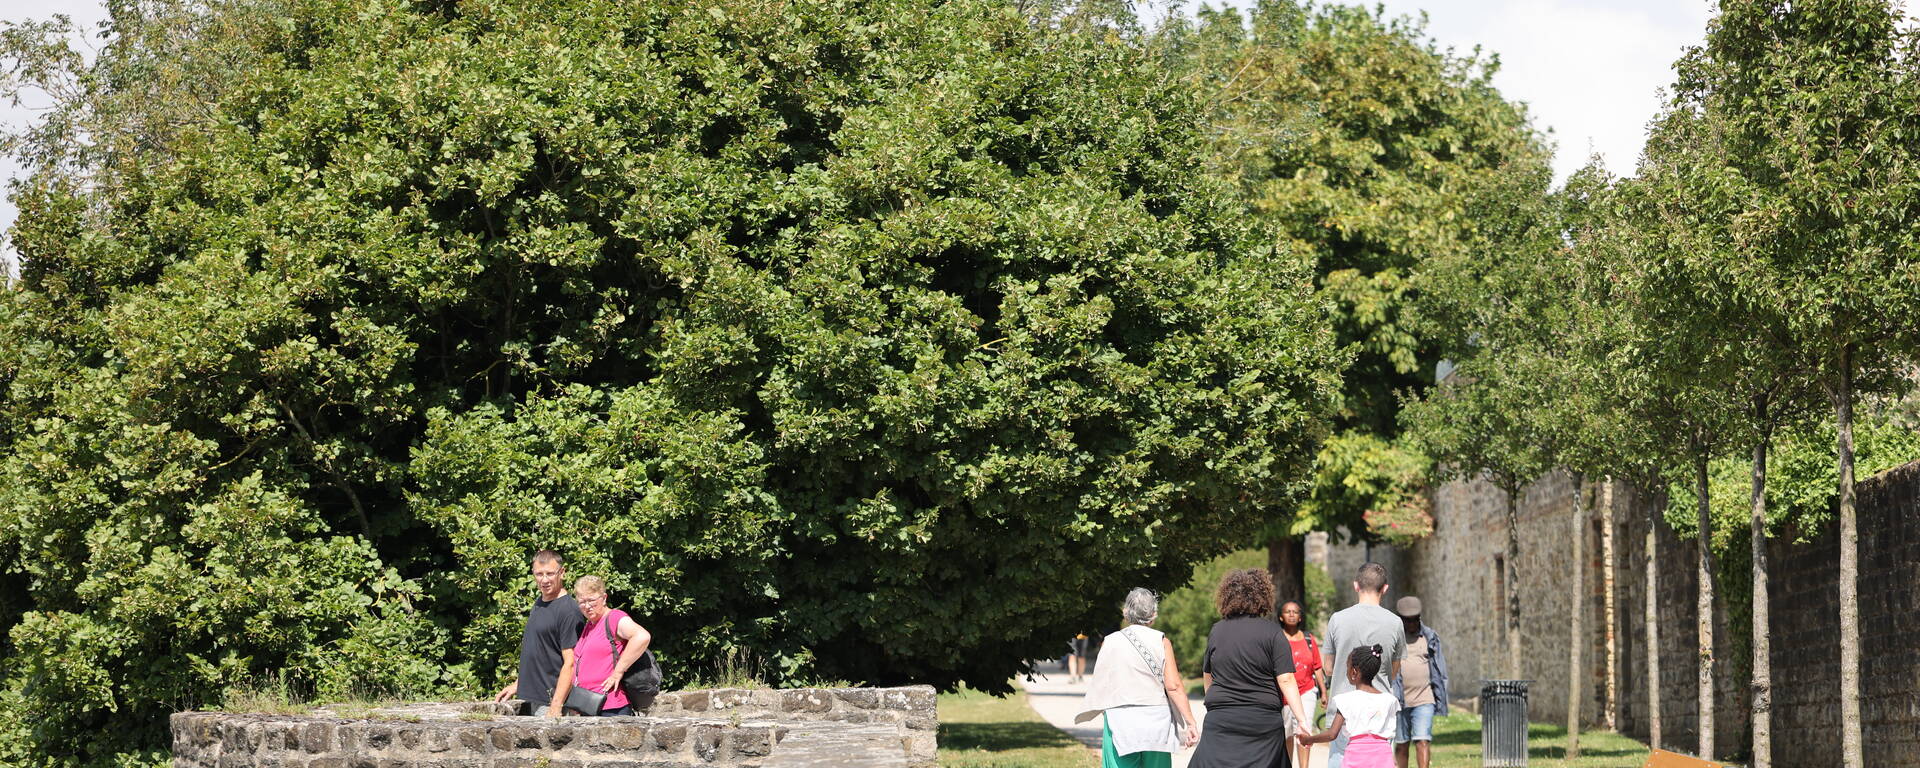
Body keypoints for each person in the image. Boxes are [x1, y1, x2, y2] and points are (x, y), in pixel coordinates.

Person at [1188, 569, 1313, 768]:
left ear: (1227, 596)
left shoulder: (1217, 630)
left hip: (1221, 719)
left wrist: (1214, 705)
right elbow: (1286, 679)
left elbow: (1208, 675)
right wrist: (1302, 720)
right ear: (1262, 597)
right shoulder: (1272, 632)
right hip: (1261, 721)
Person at [1076, 588, 1201, 768]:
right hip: (1157, 723)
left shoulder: (1111, 641)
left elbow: (1102, 684)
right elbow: (1173, 686)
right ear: (1154, 614)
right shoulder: (1162, 641)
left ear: (1125, 612)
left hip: (1121, 721)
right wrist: (1191, 723)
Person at [1324, 563, 1406, 768]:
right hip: (1379, 716)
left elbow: (1328, 667)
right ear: (1385, 588)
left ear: (1355, 586)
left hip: (1343, 712)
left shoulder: (1337, 619)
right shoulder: (1395, 622)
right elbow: (1395, 670)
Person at [494, 550, 585, 718]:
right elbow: (541, 651)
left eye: (550, 574)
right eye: (539, 574)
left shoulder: (569, 611)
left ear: (562, 573)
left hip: (552, 703)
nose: (544, 580)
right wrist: (519, 684)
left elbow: (571, 663)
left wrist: (556, 706)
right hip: (535, 697)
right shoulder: (540, 603)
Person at [1301, 645, 1400, 768]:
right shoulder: (1389, 700)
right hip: (1383, 757)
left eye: (1347, 666)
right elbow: (1390, 733)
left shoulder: (1346, 700)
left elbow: (1332, 734)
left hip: (1357, 757)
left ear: (1354, 671)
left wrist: (1308, 740)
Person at [570, 575, 654, 716]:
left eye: (591, 600)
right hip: (588, 705)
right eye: (582, 602)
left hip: (611, 706)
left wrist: (618, 672)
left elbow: (642, 637)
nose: (587, 606)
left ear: (604, 598)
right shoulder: (589, 625)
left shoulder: (614, 618)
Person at [1392, 597, 1447, 768]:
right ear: (1400, 619)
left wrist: (1441, 694)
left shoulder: (1429, 637)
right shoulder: (1393, 639)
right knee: (1401, 744)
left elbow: (1440, 669)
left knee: (1423, 740)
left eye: (1415, 619)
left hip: (1424, 699)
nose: (1412, 623)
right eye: (1408, 620)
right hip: (1400, 700)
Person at [1279, 600, 1328, 768]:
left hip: (1306, 691)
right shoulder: (1277, 639)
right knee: (1287, 735)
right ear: (1281, 616)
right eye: (1288, 612)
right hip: (1284, 695)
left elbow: (1317, 667)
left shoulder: (1308, 639)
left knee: (1304, 731)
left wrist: (1323, 692)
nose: (1292, 614)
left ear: (1300, 617)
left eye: (1295, 612)